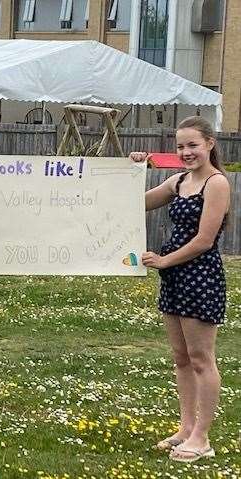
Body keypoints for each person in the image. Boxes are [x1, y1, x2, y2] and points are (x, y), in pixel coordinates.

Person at [130, 116, 230, 463]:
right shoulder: (179, 181)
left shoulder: (216, 184)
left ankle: (202, 437)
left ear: (209, 144)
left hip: (200, 278)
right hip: (174, 277)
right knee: (181, 359)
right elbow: (135, 201)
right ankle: (185, 429)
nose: (186, 152)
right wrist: (135, 170)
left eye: (193, 145)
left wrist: (164, 260)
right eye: (181, 146)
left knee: (202, 359)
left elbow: (204, 241)